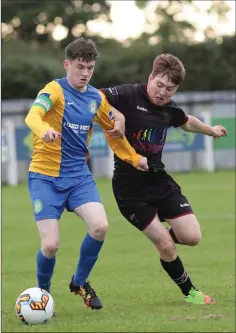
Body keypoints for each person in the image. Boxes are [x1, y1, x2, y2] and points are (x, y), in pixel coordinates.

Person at [25, 37, 148, 311]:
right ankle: (42, 297)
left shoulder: (95, 98)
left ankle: (79, 282)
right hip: (45, 177)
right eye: (80, 67)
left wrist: (134, 157)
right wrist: (43, 130)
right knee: (51, 245)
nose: (84, 73)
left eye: (90, 68)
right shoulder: (54, 90)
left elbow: (114, 133)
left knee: (100, 227)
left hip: (79, 177)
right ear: (67, 64)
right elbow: (32, 116)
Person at [100, 53, 228, 305]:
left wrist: (210, 130)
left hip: (159, 181)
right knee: (166, 246)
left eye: (170, 89)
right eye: (159, 85)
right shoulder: (127, 94)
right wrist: (119, 116)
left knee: (192, 237)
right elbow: (95, 97)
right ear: (150, 78)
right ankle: (190, 292)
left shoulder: (169, 110)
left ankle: (165, 240)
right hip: (129, 189)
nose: (162, 92)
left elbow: (187, 122)